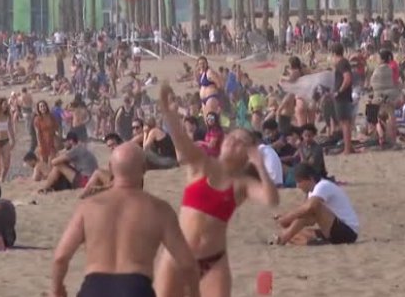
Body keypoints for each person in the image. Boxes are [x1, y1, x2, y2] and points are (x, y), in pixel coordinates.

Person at [154, 83, 279, 297]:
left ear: (248, 154)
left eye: (241, 142)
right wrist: (168, 111)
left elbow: (271, 200)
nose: (233, 141)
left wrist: (259, 164)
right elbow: (182, 142)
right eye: (232, 137)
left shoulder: (242, 184)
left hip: (213, 260)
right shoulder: (202, 164)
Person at [52, 141, 201, 297]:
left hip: (94, 289)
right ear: (144, 169)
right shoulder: (159, 209)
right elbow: (187, 264)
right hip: (136, 289)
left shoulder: (89, 207)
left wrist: (57, 290)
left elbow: (60, 258)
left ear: (110, 168)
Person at [272, 163, 359, 245]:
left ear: (310, 179)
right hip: (333, 228)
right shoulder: (312, 192)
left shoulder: (323, 186)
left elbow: (309, 208)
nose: (298, 186)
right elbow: (310, 220)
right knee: (298, 232)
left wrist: (287, 218)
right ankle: (305, 241)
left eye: (299, 181)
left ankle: (284, 238)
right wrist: (287, 220)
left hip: (347, 231)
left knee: (311, 208)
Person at [80, 133, 123, 198]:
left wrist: (102, 188)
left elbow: (121, 180)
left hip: (122, 188)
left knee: (97, 173)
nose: (111, 148)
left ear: (119, 143)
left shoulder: (122, 157)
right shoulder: (115, 157)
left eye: (113, 145)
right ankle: (86, 194)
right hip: (116, 184)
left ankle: (83, 195)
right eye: (109, 146)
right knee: (98, 173)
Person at [331, 43, 354, 155]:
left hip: (342, 97)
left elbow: (347, 78)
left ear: (334, 53)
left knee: (344, 122)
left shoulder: (341, 63)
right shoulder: (344, 63)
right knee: (347, 122)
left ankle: (347, 149)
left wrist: (339, 91)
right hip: (345, 95)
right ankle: (349, 146)